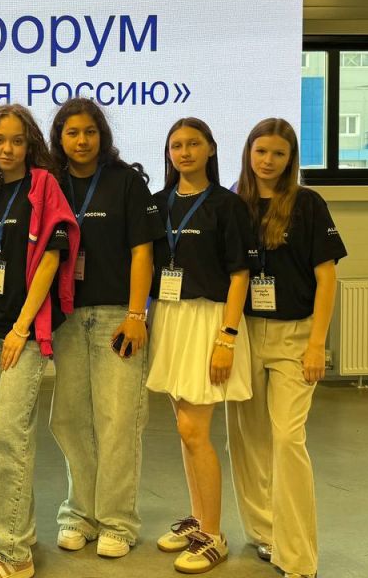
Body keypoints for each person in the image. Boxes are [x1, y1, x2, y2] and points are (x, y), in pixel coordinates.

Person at [0, 104, 79, 578]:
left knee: (11, 435)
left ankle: (11, 552)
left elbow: (51, 257)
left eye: (16, 140)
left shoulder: (43, 186)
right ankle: (15, 528)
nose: (6, 149)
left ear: (30, 144)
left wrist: (22, 328)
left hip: (21, 335)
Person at [227, 118, 346, 578]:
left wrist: (317, 344)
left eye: (278, 153)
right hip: (244, 333)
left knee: (287, 439)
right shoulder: (234, 202)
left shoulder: (308, 204)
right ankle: (265, 533)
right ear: (248, 153)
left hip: (295, 336)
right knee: (248, 440)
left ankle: (298, 556)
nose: (268, 161)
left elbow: (327, 277)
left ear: (291, 158)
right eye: (261, 151)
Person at [47, 98, 164, 559]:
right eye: (72, 132)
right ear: (59, 138)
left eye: (90, 132)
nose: (82, 141)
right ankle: (80, 513)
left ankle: (117, 521)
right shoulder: (51, 183)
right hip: (66, 319)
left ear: (102, 136)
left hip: (117, 318)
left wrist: (137, 316)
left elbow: (142, 253)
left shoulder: (125, 181)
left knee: (118, 420)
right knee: (71, 419)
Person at [146, 117, 257, 575]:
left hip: (210, 321)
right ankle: (198, 518)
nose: (185, 152)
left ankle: (213, 535)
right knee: (184, 428)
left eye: (193, 144)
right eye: (176, 145)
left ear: (211, 149)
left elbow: (240, 274)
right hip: (170, 317)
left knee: (195, 431)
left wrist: (227, 338)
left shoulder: (227, 205)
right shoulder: (159, 204)